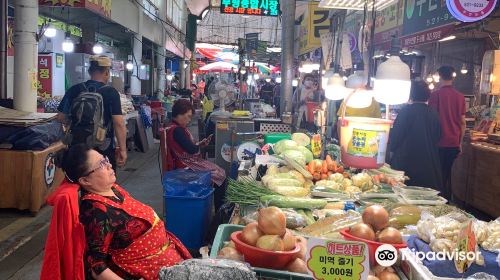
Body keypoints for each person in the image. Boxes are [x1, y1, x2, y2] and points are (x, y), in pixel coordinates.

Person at [41, 144, 191, 280]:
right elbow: (97, 267)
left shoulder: (113, 189)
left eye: (105, 159)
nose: (109, 165)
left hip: (167, 261)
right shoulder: (96, 212)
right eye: (101, 165)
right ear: (85, 181)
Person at [57, 55, 127, 171]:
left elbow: (61, 117)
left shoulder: (74, 89)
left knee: (77, 180)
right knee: (103, 184)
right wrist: (123, 150)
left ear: (89, 71)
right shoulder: (111, 92)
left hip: (77, 148)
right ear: (107, 72)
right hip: (103, 147)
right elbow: (119, 123)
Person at [166, 99, 227, 210]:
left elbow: (188, 147)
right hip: (185, 168)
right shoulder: (177, 130)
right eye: (188, 116)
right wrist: (198, 146)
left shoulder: (174, 128)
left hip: (186, 164)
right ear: (179, 114)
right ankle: (220, 211)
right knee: (220, 176)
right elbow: (192, 150)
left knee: (219, 172)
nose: (189, 120)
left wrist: (200, 144)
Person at [389, 81, 443, 190]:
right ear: (428, 95)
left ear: (411, 94)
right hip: (428, 165)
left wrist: (391, 150)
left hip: (405, 162)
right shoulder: (433, 113)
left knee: (402, 196)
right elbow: (438, 136)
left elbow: (395, 137)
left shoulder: (406, 111)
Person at [428, 66, 466, 202]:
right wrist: (460, 143)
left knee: (438, 174)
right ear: (453, 77)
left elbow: (431, 118)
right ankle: (445, 201)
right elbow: (462, 122)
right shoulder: (460, 97)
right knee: (447, 173)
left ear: (440, 76)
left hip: (438, 142)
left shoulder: (435, 95)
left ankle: (438, 202)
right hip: (453, 142)